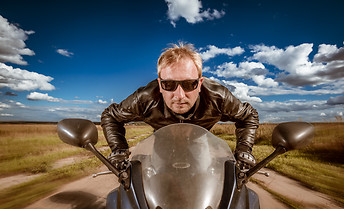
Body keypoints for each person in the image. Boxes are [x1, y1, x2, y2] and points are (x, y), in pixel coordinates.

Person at [101, 42, 259, 169]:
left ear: (199, 84)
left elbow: (249, 115)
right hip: (162, 145)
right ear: (160, 85)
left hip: (199, 143)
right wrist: (119, 149)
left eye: (189, 84)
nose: (180, 95)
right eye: (169, 84)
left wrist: (244, 149)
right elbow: (110, 115)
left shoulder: (217, 97)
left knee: (205, 179)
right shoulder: (145, 98)